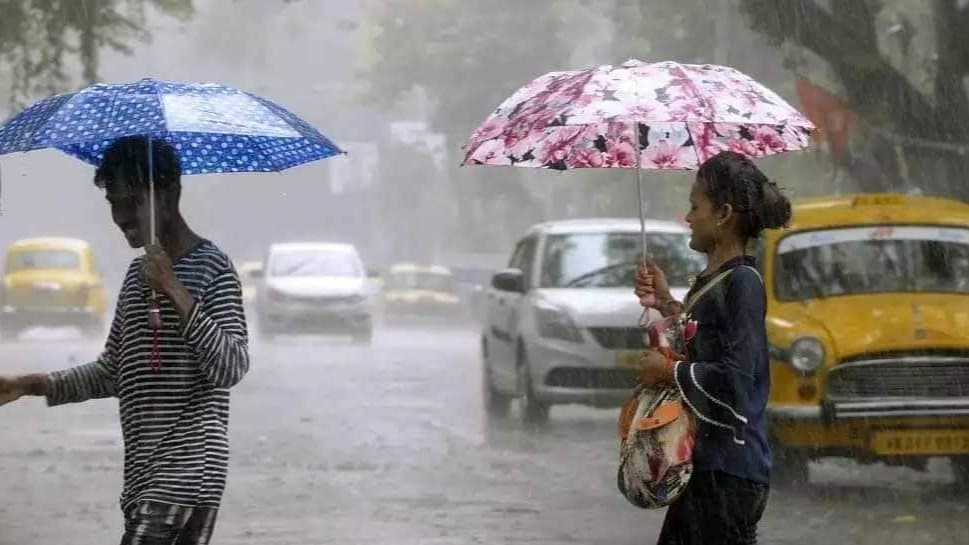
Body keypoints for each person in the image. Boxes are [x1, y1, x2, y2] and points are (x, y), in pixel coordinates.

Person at [0, 135, 249, 545]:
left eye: (133, 201)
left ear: (169, 194)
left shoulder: (213, 269)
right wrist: (27, 385)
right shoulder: (137, 277)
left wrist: (174, 288)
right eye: (113, 202)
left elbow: (230, 367)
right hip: (145, 476)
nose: (121, 216)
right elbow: (114, 372)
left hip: (186, 474)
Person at [634, 151, 791, 545]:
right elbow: (705, 343)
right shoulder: (718, 282)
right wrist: (667, 302)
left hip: (729, 472)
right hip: (706, 466)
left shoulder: (743, 284)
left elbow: (735, 380)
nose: (688, 217)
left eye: (694, 206)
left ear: (722, 213)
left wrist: (667, 372)